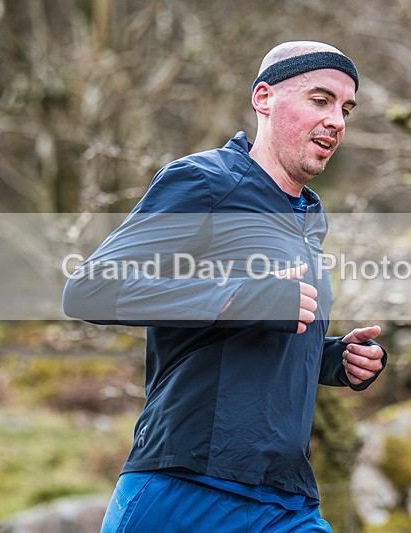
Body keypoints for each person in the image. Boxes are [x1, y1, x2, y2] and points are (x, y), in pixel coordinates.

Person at [63, 40, 387, 532]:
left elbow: (259, 334)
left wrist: (333, 358)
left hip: (285, 497)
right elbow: (88, 289)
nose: (337, 121)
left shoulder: (307, 217)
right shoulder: (205, 182)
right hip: (188, 487)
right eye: (320, 101)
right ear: (264, 99)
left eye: (346, 109)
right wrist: (238, 295)